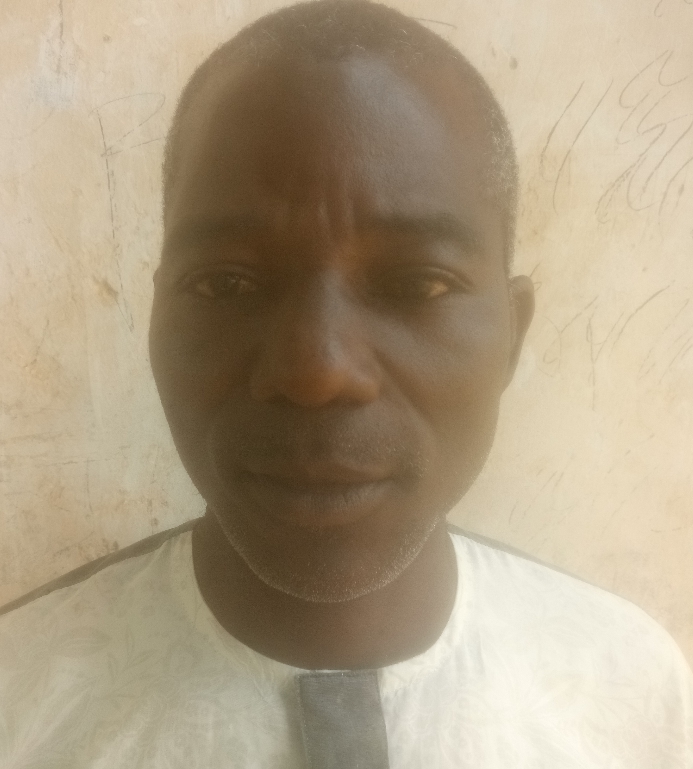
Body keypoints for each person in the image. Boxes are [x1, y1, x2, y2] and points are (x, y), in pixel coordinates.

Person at [1, 1, 691, 766]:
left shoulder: (629, 687)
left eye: (417, 284)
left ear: (511, 336)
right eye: (227, 283)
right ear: (158, 318)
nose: (316, 370)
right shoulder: (18, 698)